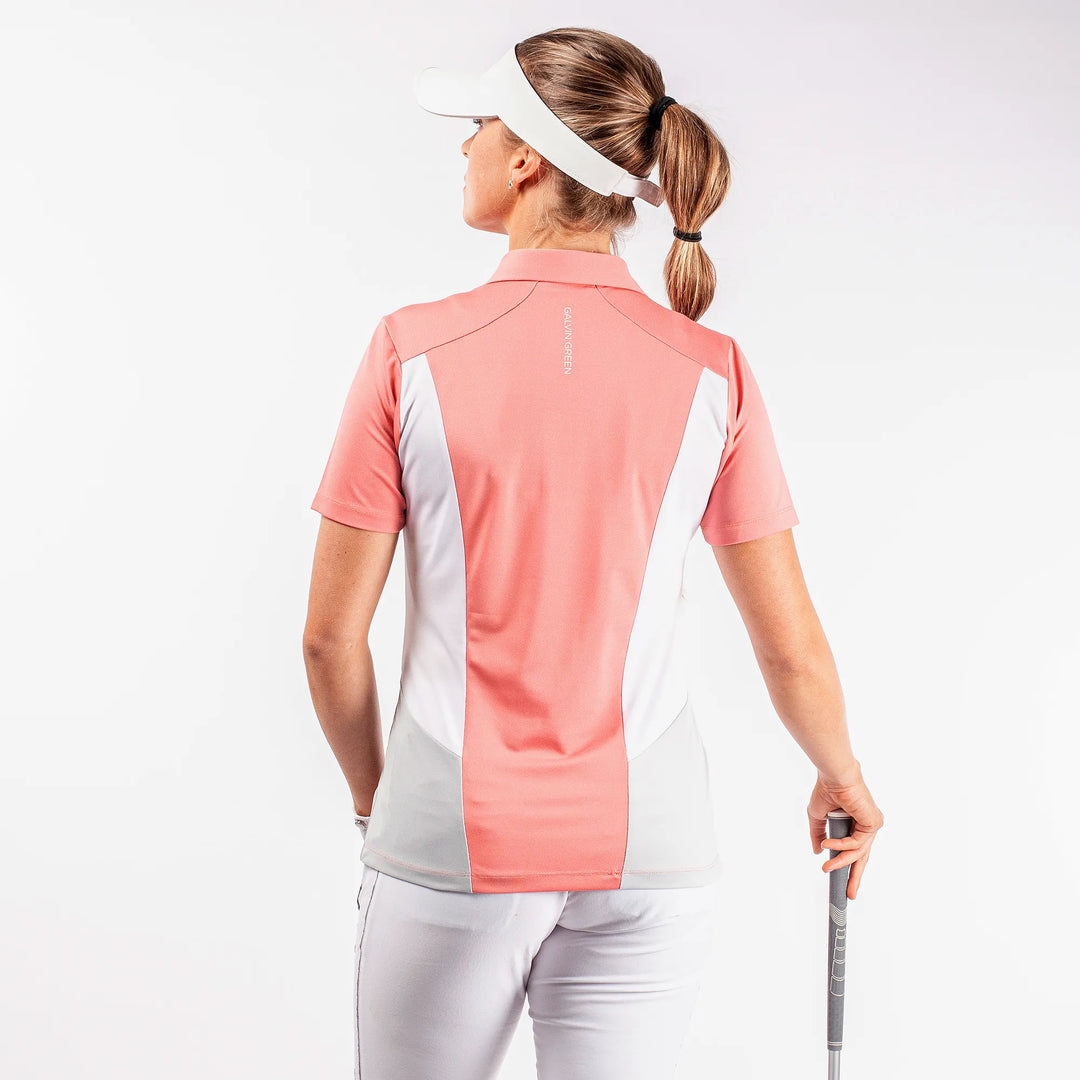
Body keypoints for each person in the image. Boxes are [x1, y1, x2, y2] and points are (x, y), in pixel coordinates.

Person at [302, 26, 884, 1080]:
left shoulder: (407, 349)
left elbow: (329, 641)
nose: (465, 147)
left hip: (451, 844)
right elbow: (790, 647)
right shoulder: (713, 369)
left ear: (527, 157)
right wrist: (841, 775)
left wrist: (377, 804)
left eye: (480, 126)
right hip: (652, 857)